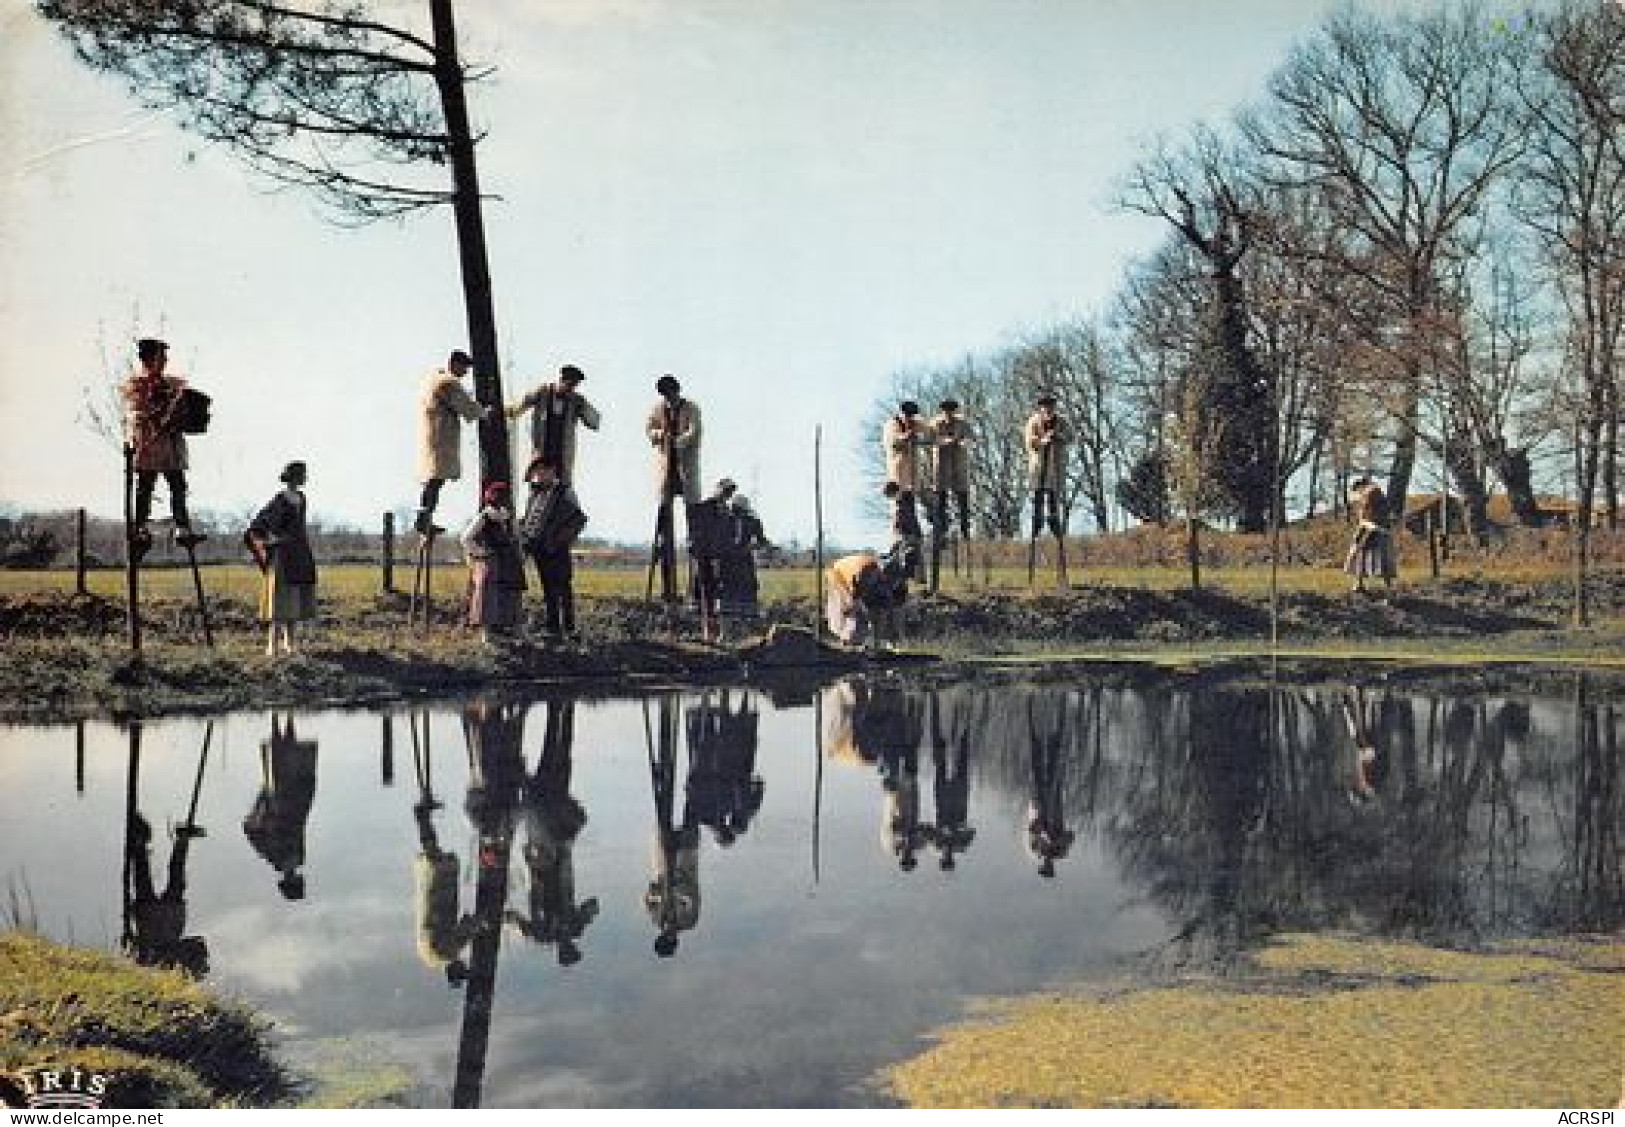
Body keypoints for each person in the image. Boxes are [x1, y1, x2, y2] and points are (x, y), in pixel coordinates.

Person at [123, 337, 205, 558]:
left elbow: (184, 405)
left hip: (171, 445)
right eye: (161, 357)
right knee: (145, 488)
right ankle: (141, 529)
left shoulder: (174, 382)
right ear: (149, 359)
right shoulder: (136, 384)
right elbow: (139, 410)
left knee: (178, 486)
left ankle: (182, 527)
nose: (165, 361)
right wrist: (163, 410)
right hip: (150, 444)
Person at [414, 349, 493, 537]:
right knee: (435, 479)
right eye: (464, 367)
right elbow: (468, 408)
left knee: (434, 479)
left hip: (433, 434)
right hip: (441, 436)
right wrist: (485, 412)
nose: (465, 373)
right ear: (455, 364)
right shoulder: (448, 382)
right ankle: (423, 518)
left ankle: (425, 517)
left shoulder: (433, 378)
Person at [242, 714, 318, 901]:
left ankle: (276, 716)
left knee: (280, 762)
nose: (295, 876)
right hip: (297, 804)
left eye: (294, 881)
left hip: (281, 804)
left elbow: (251, 829)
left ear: (287, 881)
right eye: (298, 881)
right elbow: (300, 829)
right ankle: (289, 715)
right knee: (294, 761)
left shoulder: (273, 854)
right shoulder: (299, 858)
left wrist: (264, 809)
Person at [245, 460, 318, 657]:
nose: (306, 477)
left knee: (294, 599)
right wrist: (272, 539)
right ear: (294, 476)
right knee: (279, 601)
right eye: (303, 474)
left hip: (299, 553)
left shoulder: (302, 498)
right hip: (282, 556)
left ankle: (290, 644)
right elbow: (259, 524)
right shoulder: (279, 499)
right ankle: (272, 645)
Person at [519, 457, 587, 640]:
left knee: (563, 587)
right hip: (539, 548)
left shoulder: (565, 491)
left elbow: (578, 520)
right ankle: (553, 627)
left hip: (557, 549)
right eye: (536, 471)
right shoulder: (533, 494)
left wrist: (559, 541)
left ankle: (570, 628)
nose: (538, 475)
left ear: (552, 471)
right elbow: (529, 520)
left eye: (542, 471)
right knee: (548, 588)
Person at [506, 364, 600, 485]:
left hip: (562, 455)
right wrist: (505, 412)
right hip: (542, 452)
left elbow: (595, 421)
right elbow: (519, 407)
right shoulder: (542, 392)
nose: (571, 389)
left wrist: (584, 409)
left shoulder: (576, 401)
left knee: (563, 488)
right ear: (562, 380)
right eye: (570, 384)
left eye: (574, 386)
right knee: (539, 486)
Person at [461, 481, 527, 640]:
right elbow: (465, 538)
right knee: (489, 594)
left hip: (509, 560)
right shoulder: (484, 517)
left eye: (503, 496)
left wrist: (519, 555)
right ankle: (487, 632)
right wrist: (480, 553)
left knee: (511, 593)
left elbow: (516, 538)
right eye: (497, 496)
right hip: (491, 561)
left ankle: (509, 628)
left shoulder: (508, 517)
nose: (500, 499)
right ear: (489, 498)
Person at [825, 544, 915, 649]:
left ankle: (876, 646)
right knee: (854, 614)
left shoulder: (899, 585)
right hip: (839, 577)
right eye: (886, 578)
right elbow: (855, 602)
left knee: (880, 612)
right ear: (880, 573)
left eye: (894, 581)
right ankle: (847, 646)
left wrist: (894, 635)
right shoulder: (863, 574)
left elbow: (893, 611)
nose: (890, 582)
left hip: (866, 584)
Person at [882, 401, 929, 576]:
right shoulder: (892, 425)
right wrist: (909, 435)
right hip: (897, 480)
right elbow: (894, 442)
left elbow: (929, 432)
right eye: (907, 415)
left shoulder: (916, 423)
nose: (910, 418)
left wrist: (921, 429)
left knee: (913, 528)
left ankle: (914, 569)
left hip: (911, 483)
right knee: (900, 524)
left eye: (912, 415)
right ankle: (897, 565)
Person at [687, 478, 734, 643]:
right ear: (718, 490)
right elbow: (695, 529)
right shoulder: (705, 507)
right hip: (705, 557)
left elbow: (727, 535)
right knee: (706, 595)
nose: (727, 494)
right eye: (725, 490)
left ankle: (717, 633)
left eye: (730, 492)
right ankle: (708, 633)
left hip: (720, 559)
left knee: (717, 596)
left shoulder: (727, 512)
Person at [646, 374, 703, 507]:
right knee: (664, 504)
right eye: (665, 394)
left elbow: (695, 430)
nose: (669, 397)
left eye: (671, 392)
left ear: (677, 391)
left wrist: (681, 440)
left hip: (686, 462)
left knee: (691, 504)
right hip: (667, 462)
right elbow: (649, 428)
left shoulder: (691, 408)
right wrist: (660, 434)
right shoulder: (658, 409)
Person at [719, 493, 769, 629]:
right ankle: (728, 626)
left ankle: (748, 624)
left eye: (739, 509)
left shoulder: (752, 521)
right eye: (735, 509)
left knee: (748, 588)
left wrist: (754, 546)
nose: (737, 512)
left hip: (744, 561)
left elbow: (762, 541)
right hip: (728, 561)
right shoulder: (724, 521)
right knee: (728, 590)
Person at [1024, 394, 1069, 540]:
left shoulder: (1061, 421)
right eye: (1045, 406)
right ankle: (1037, 522)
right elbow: (1029, 441)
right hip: (1039, 464)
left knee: (1053, 494)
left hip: (1055, 464)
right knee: (1038, 493)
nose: (1048, 409)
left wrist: (1058, 436)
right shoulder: (1033, 421)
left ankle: (1054, 521)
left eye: (1051, 406)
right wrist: (1042, 440)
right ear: (1041, 408)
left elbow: (1070, 436)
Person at [928, 399, 973, 542]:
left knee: (963, 499)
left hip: (959, 465)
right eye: (946, 410)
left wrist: (963, 443)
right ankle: (940, 531)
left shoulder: (963, 423)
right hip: (941, 466)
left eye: (951, 410)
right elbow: (929, 440)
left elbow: (971, 439)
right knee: (940, 500)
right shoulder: (935, 424)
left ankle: (965, 531)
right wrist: (944, 441)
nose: (949, 413)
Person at [1344, 476, 1396, 593]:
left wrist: (1364, 526)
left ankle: (1388, 588)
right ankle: (1359, 584)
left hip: (1374, 528)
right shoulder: (1370, 493)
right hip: (1372, 527)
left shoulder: (1371, 492)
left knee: (1377, 559)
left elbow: (1370, 513)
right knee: (1361, 556)